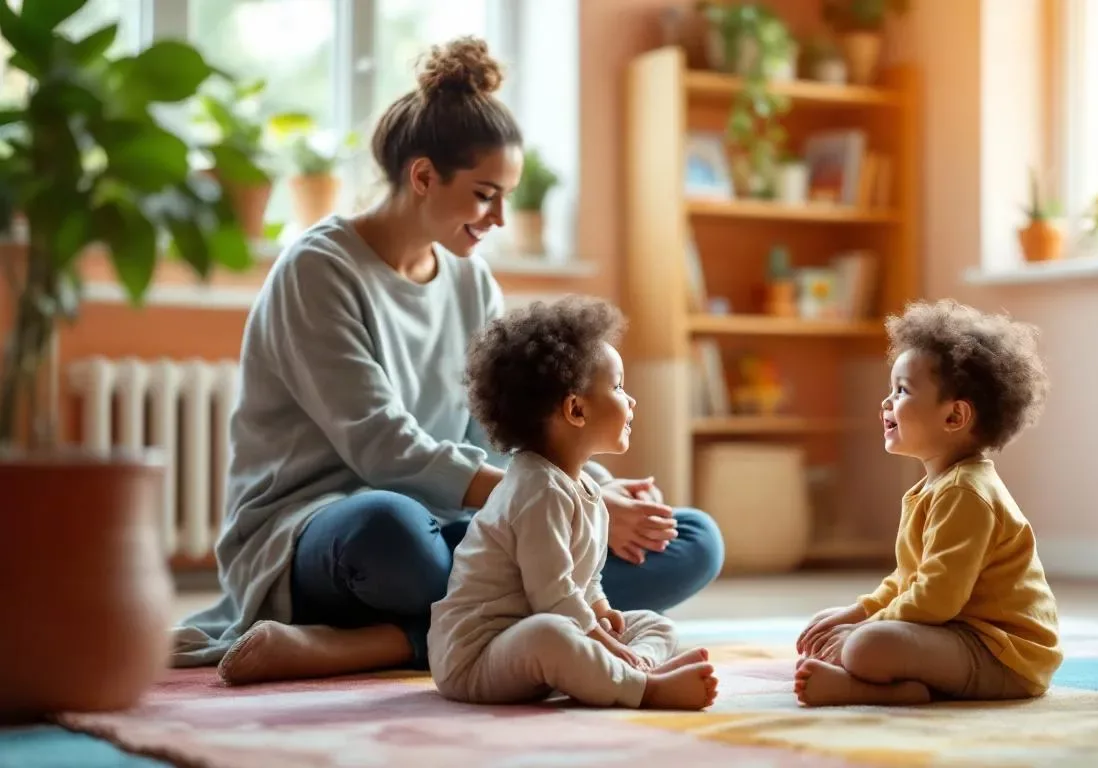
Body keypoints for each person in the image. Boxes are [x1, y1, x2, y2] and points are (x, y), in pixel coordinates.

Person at [170, 37, 724, 685]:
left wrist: (591, 498)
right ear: (424, 176)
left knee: (689, 540)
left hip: (457, 527)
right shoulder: (317, 270)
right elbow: (383, 449)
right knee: (390, 531)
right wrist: (577, 507)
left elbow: (507, 433)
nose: (497, 218)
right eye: (486, 194)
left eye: (507, 198)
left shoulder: (471, 282)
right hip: (323, 532)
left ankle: (375, 643)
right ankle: (477, 631)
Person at [428, 296, 718, 710]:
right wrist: (600, 639)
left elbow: (585, 575)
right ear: (576, 409)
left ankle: (633, 668)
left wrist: (601, 612)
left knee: (654, 624)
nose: (630, 400)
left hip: (537, 635)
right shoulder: (536, 489)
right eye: (618, 387)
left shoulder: (584, 487)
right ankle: (644, 687)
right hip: (477, 658)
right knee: (552, 635)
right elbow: (552, 593)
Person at [793, 299, 1062, 707]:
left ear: (954, 417)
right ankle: (903, 685)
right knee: (847, 630)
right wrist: (857, 611)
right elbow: (907, 581)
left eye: (901, 391)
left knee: (866, 646)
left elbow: (935, 600)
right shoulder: (935, 488)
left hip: (1006, 657)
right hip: (962, 635)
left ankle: (869, 688)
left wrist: (861, 631)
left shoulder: (965, 493)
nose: (886, 403)